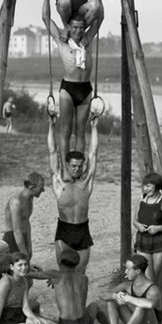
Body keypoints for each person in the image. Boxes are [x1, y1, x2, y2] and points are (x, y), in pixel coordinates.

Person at [41, 0, 105, 166]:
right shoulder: (62, 42)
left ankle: (78, 165)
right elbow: (46, 18)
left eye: (80, 27)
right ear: (69, 28)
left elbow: (99, 18)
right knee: (65, 131)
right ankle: (65, 166)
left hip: (85, 89)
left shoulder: (87, 39)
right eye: (74, 27)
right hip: (68, 89)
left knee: (81, 131)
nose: (77, 31)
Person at [0, 252, 90, 324]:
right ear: (11, 267)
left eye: (25, 264)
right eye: (20, 265)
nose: (24, 268)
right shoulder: (5, 282)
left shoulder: (24, 280)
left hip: (21, 314)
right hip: (7, 321)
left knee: (44, 323)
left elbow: (25, 306)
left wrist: (33, 317)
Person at [48, 112, 100, 272]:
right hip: (64, 230)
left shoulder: (86, 182)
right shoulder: (58, 182)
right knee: (64, 272)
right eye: (73, 166)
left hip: (82, 230)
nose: (77, 169)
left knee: (80, 273)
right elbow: (52, 151)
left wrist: (94, 127)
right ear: (67, 165)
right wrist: (51, 125)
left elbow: (93, 152)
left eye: (79, 166)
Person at [27, 248, 104, 324]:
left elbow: (30, 275)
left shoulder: (56, 275)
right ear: (77, 263)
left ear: (60, 262)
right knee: (94, 305)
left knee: (34, 315)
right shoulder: (84, 278)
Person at [98, 254, 162, 324]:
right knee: (111, 299)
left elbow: (150, 304)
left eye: (128, 269)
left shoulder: (152, 289)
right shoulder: (127, 285)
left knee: (141, 306)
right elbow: (102, 294)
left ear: (137, 271)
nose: (125, 271)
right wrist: (115, 296)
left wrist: (128, 298)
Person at [133, 172, 162, 290]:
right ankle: (151, 304)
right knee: (148, 278)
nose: (145, 189)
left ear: (156, 185)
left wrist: (158, 228)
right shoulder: (141, 199)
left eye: (148, 186)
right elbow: (134, 220)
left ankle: (157, 303)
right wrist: (139, 226)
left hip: (160, 242)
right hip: (143, 240)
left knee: (156, 275)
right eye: (144, 186)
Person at [2, 172, 45, 258]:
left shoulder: (30, 199)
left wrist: (29, 246)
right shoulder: (16, 202)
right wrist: (24, 253)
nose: (43, 190)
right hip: (12, 239)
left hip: (23, 236)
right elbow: (16, 231)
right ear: (31, 187)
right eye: (41, 187)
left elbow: (26, 221)